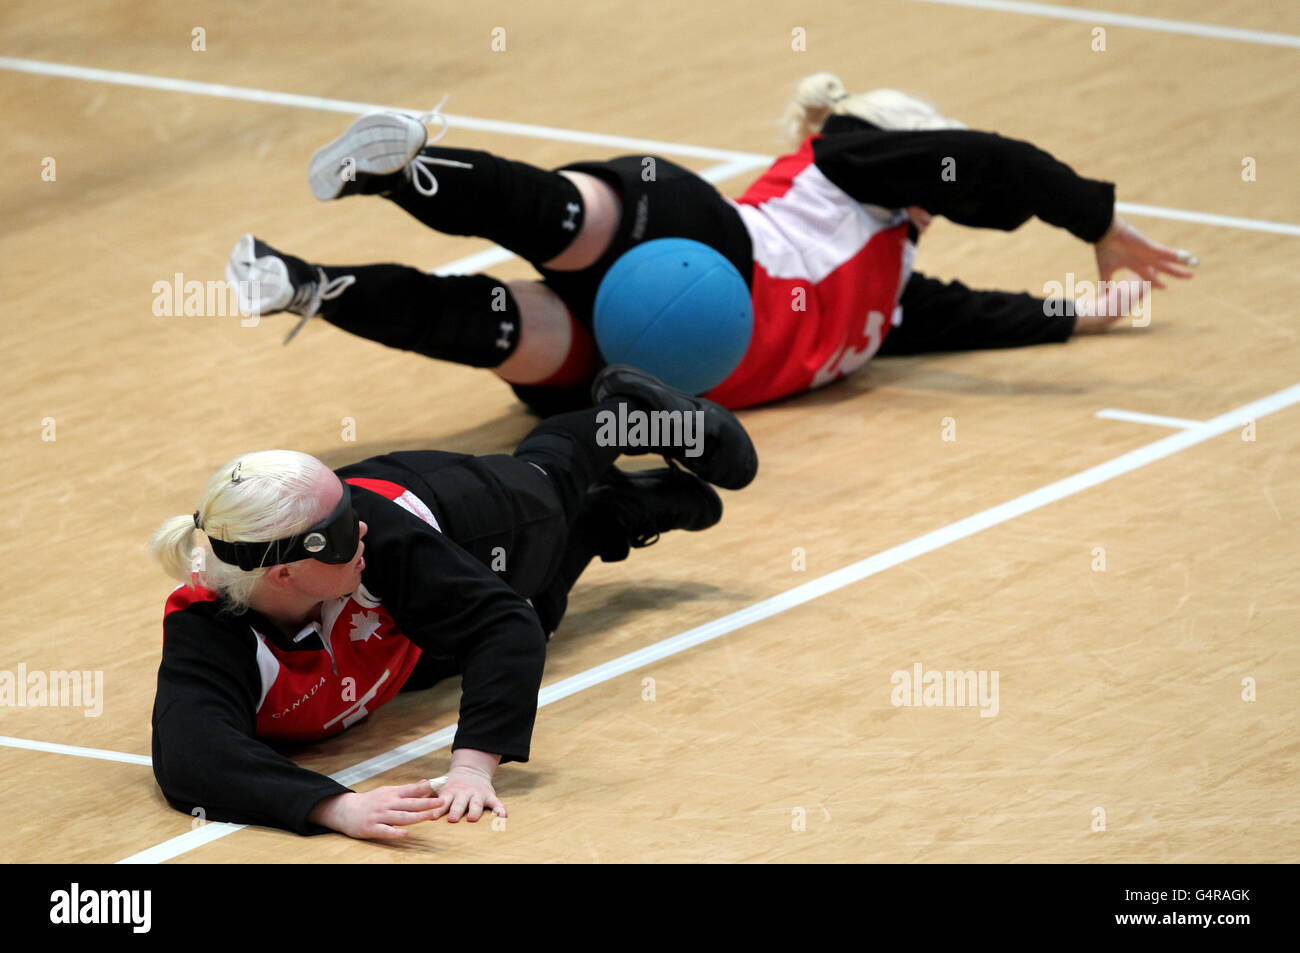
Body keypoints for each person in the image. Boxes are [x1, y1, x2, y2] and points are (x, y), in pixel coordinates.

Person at [225, 72, 1196, 415]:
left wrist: (1074, 314)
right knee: (572, 219)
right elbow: (985, 161)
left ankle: (305, 282)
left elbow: (961, 319)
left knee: (502, 331)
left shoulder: (890, 294)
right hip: (704, 253)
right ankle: (398, 170)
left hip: (657, 362)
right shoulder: (850, 163)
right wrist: (1095, 220)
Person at [148, 366, 757, 839]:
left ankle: (627, 415)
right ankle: (611, 518)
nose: (358, 530)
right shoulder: (211, 624)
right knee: (541, 615)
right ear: (280, 574)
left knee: (545, 490)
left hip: (458, 517)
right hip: (400, 649)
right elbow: (191, 756)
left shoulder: (377, 537)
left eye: (351, 510)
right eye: (337, 531)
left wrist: (471, 766)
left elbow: (500, 627)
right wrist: (336, 805)